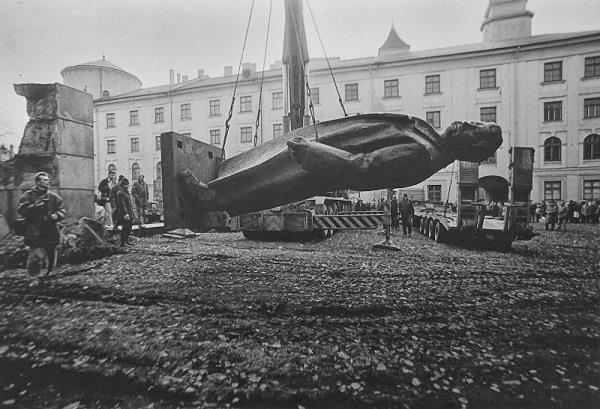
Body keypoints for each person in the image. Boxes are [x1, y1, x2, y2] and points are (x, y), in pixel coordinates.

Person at [17, 172, 66, 284]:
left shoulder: (54, 197)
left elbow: (62, 210)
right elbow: (21, 210)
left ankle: (49, 277)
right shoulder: (28, 195)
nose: (48, 181)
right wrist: (35, 206)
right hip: (35, 231)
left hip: (51, 231)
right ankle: (34, 278)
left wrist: (57, 215)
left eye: (48, 179)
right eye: (45, 180)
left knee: (51, 257)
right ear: (38, 182)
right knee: (36, 257)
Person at [115, 177, 134, 247]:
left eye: (128, 184)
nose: (128, 185)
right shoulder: (120, 193)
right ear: (122, 185)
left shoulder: (126, 192)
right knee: (125, 228)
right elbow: (122, 205)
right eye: (126, 184)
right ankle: (123, 242)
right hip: (124, 214)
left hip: (128, 212)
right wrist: (126, 213)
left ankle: (126, 240)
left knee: (129, 227)